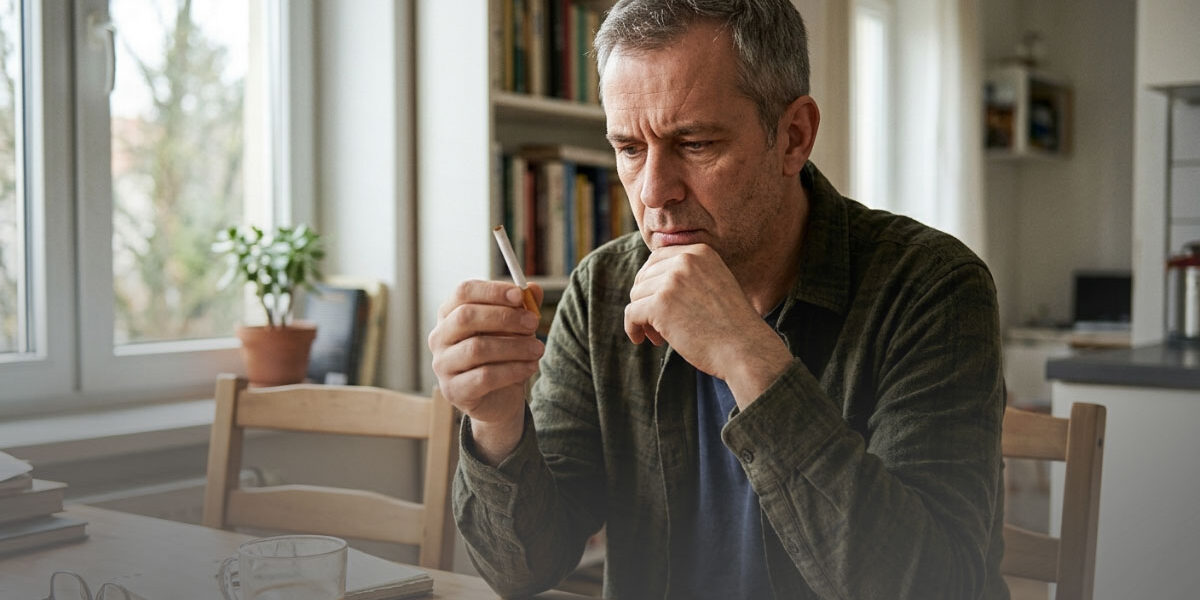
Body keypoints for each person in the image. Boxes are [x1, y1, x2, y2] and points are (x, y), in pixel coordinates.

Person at [427, 0, 1007, 598]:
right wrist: (497, 423)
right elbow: (522, 570)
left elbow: (933, 584)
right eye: (629, 149)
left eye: (696, 143)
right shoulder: (602, 290)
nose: (654, 192)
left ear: (794, 137)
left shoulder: (931, 287)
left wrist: (747, 355)